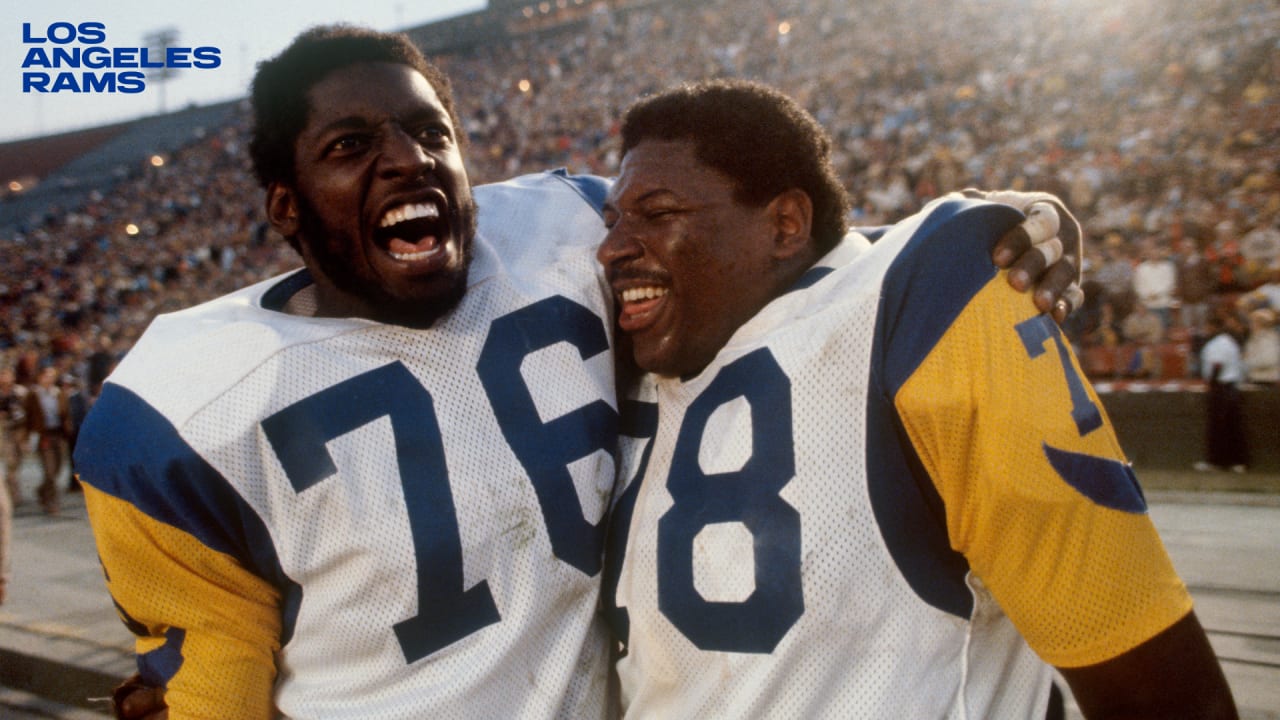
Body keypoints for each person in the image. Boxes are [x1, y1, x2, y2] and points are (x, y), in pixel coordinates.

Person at [97, 28, 1081, 720]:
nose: (406, 160)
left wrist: (985, 232)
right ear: (286, 205)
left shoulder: (562, 228)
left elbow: (766, 255)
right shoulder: (179, 406)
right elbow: (213, 673)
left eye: (430, 133)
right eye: (351, 147)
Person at [597, 80, 1236, 719]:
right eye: (612, 219)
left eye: (658, 213)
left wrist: (977, 232)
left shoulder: (928, 298)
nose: (610, 249)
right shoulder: (616, 337)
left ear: (787, 224)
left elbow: (1158, 692)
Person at [1194, 312, 1251, 473]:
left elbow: (1217, 365)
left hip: (1221, 387)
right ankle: (1235, 461)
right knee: (1230, 426)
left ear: (1214, 327)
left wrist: (1211, 385)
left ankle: (1219, 461)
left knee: (1219, 427)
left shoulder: (1218, 343)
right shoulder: (1228, 342)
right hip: (1230, 387)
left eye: (1208, 326)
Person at [25, 365, 68, 515]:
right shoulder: (33, 395)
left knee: (57, 468)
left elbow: (65, 414)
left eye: (52, 376)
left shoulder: (58, 393)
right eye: (46, 376)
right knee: (49, 471)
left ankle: (42, 490)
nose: (49, 379)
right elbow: (28, 418)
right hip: (44, 435)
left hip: (58, 434)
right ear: (40, 377)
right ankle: (51, 502)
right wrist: (27, 438)